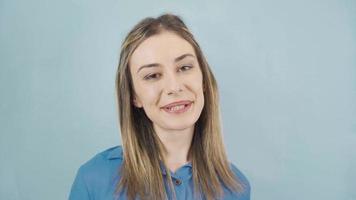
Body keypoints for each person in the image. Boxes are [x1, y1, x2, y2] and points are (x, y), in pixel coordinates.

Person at [69, 13, 250, 200]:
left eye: (185, 67)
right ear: (134, 96)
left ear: (203, 78)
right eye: (152, 75)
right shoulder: (94, 180)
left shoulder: (236, 188)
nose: (174, 87)